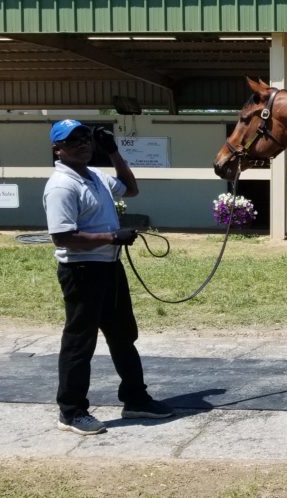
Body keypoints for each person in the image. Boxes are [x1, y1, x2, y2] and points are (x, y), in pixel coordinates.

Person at [43, 119, 173, 435]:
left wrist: (113, 152)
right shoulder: (62, 185)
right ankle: (71, 411)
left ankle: (135, 398)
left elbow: (131, 188)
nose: (82, 144)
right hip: (82, 272)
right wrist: (111, 238)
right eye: (73, 140)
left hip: (109, 268)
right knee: (79, 342)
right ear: (57, 149)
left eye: (86, 138)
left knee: (123, 334)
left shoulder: (96, 175)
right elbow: (63, 237)